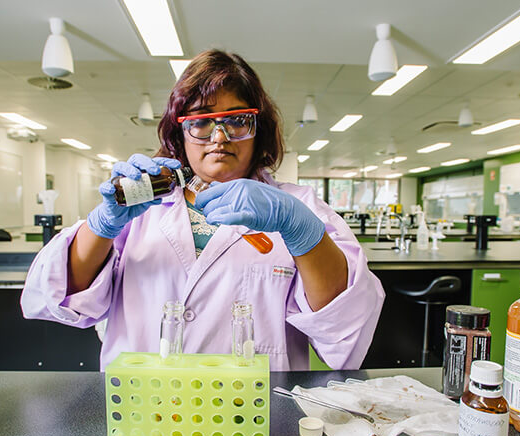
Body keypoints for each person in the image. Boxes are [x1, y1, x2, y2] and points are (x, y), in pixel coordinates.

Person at [21, 50, 384, 371]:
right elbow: (56, 295)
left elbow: (345, 324)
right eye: (201, 121)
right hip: (144, 409)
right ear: (180, 133)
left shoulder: (299, 208)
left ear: (259, 130)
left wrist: (301, 231)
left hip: (256, 416)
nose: (219, 136)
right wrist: (102, 224)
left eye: (237, 120)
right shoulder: (142, 204)